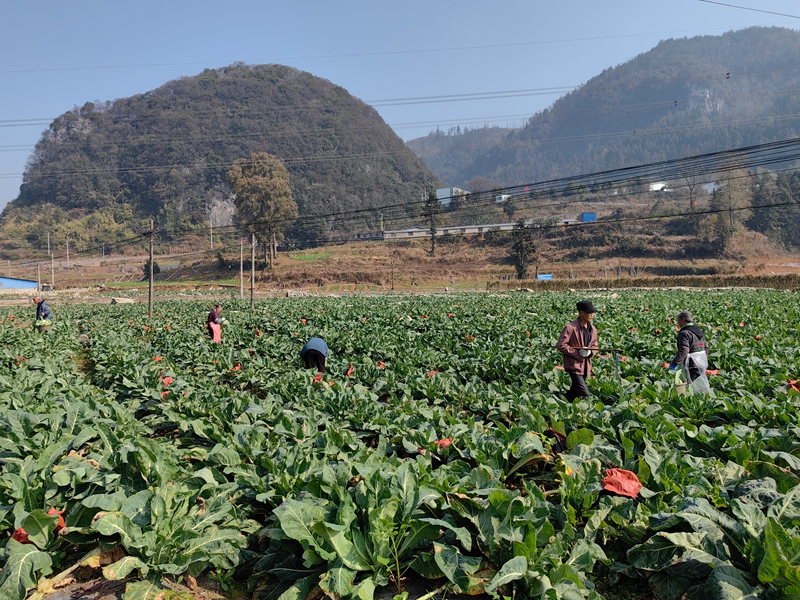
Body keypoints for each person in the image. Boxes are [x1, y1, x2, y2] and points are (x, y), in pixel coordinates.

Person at [556, 300, 598, 401]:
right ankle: (592, 411)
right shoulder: (570, 328)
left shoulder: (593, 329)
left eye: (593, 313)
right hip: (574, 366)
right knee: (585, 394)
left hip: (585, 366)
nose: (592, 315)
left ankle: (558, 398)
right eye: (589, 313)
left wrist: (590, 352)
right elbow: (561, 345)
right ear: (581, 313)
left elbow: (595, 346)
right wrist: (577, 353)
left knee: (573, 393)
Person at [668, 311, 710, 393]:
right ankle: (704, 397)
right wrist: (703, 359)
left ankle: (681, 398)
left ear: (683, 320)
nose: (677, 322)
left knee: (682, 382)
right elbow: (705, 346)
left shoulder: (684, 333)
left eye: (678, 320)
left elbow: (684, 350)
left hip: (690, 363)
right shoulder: (698, 330)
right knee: (698, 383)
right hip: (701, 361)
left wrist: (675, 362)